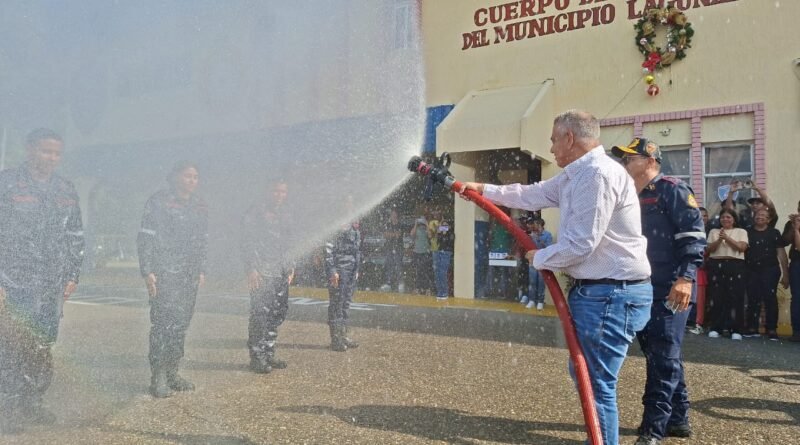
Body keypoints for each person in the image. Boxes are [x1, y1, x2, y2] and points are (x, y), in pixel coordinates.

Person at [460, 110, 652, 445]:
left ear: (569, 138)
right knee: (588, 379)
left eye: (552, 139)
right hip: (603, 292)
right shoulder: (576, 175)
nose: (550, 148)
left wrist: (540, 256)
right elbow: (530, 194)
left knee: (595, 385)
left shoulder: (597, 175)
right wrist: (481, 190)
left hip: (610, 293)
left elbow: (582, 244)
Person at [613, 137, 706, 445]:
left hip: (671, 288)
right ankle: (678, 420)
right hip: (642, 288)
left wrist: (686, 278)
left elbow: (693, 237)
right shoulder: (629, 195)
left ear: (650, 161)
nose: (625, 163)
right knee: (660, 355)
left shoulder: (672, 189)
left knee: (663, 358)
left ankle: (652, 430)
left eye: (630, 158)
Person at [0, 129, 84, 434]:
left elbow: (75, 234)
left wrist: (73, 274)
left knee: (41, 344)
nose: (50, 158)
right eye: (45, 151)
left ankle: (32, 402)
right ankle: (7, 410)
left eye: (56, 153)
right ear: (29, 149)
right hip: (14, 282)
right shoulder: (7, 184)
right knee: (10, 346)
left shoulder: (65, 189)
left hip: (51, 286)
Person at [137, 161, 208, 398]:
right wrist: (147, 271)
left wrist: (201, 269)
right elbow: (146, 236)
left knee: (180, 325)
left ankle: (172, 372)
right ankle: (157, 376)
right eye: (187, 176)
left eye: (195, 177)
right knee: (163, 325)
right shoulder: (159, 201)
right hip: (164, 272)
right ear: (175, 176)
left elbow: (202, 239)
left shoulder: (199, 204)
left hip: (189, 274)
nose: (192, 180)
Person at [241, 180, 295, 373]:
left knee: (277, 313)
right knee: (260, 315)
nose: (280, 195)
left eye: (283, 191)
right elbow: (247, 242)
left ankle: (269, 353)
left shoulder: (286, 214)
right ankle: (257, 357)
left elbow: (289, 243)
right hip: (262, 272)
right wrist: (252, 269)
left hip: (280, 271)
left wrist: (290, 266)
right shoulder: (256, 212)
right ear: (267, 191)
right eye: (275, 191)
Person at [745, 208, 789, 340]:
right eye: (758, 215)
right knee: (753, 299)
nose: (760, 217)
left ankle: (771, 329)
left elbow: (781, 253)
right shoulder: (747, 232)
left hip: (770, 270)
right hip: (751, 270)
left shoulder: (774, 233)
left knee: (770, 299)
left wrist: (785, 275)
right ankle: (752, 328)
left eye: (763, 215)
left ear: (769, 219)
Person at [325, 196, 362, 352]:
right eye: (346, 202)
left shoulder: (353, 222)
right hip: (339, 269)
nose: (349, 205)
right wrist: (332, 270)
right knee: (336, 304)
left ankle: (344, 335)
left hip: (351, 269)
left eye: (351, 202)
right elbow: (328, 248)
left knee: (346, 303)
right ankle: (336, 339)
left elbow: (357, 247)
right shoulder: (334, 222)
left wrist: (357, 269)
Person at [706, 208, 748, 340]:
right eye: (723, 217)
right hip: (716, 265)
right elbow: (708, 250)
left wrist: (727, 238)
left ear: (734, 219)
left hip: (735, 265)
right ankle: (716, 327)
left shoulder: (741, 231)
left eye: (728, 217)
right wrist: (719, 240)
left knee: (736, 297)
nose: (725, 219)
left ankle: (736, 329)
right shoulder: (714, 231)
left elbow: (741, 248)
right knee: (717, 297)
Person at [781, 201, 800, 342]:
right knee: (797, 298)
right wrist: (794, 227)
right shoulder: (792, 223)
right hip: (797, 264)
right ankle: (797, 332)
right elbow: (784, 241)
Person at [525, 218, 553, 310]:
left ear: (540, 225)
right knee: (532, 281)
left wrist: (539, 239)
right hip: (532, 262)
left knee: (541, 282)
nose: (534, 226)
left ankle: (540, 301)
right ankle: (531, 300)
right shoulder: (532, 235)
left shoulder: (548, 235)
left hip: (542, 263)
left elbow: (549, 249)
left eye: (536, 224)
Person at [409, 215, 432, 294]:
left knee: (425, 271)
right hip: (417, 253)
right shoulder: (416, 229)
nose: (421, 222)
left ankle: (426, 288)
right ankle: (418, 288)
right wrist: (415, 224)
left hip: (425, 252)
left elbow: (430, 235)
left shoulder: (426, 229)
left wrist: (426, 224)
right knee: (418, 271)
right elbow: (412, 234)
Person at [382, 208, 404, 292]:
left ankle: (400, 283)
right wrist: (393, 234)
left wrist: (391, 234)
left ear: (397, 215)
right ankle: (388, 283)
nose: (393, 216)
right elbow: (385, 234)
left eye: (394, 214)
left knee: (399, 266)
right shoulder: (388, 224)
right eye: (392, 214)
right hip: (389, 247)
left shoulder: (400, 224)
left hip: (398, 248)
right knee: (389, 265)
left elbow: (398, 235)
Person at [433, 220, 454, 301]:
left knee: (442, 273)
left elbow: (451, 243)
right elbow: (438, 242)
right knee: (437, 272)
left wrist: (446, 234)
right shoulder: (440, 234)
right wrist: (439, 233)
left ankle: (444, 292)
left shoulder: (451, 233)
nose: (444, 228)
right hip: (439, 252)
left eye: (446, 226)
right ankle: (439, 292)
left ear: (449, 227)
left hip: (446, 253)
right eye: (443, 226)